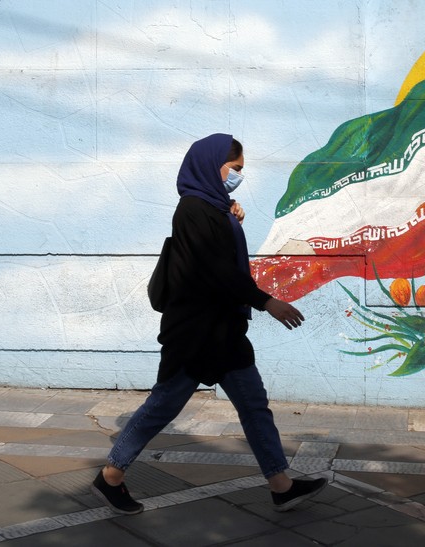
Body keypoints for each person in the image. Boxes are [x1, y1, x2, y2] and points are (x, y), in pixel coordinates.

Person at [90, 133, 326, 515]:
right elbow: (217, 269)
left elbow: (225, 258)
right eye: (235, 169)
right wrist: (266, 302)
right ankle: (111, 475)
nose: (238, 177)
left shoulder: (214, 208)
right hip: (195, 333)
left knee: (253, 405)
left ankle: (281, 485)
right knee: (163, 405)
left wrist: (231, 217)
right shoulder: (193, 210)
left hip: (223, 332)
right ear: (212, 164)